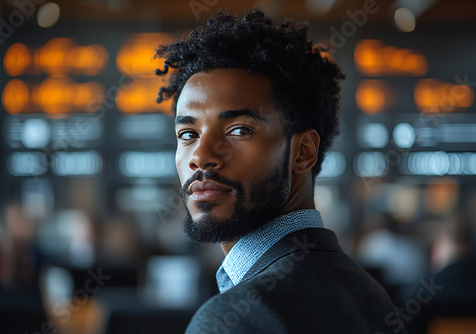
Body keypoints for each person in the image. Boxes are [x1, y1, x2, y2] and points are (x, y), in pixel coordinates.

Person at [155, 8, 406, 334]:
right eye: (188, 134)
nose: (200, 156)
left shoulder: (233, 319)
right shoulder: (366, 291)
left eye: (239, 130)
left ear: (303, 152)